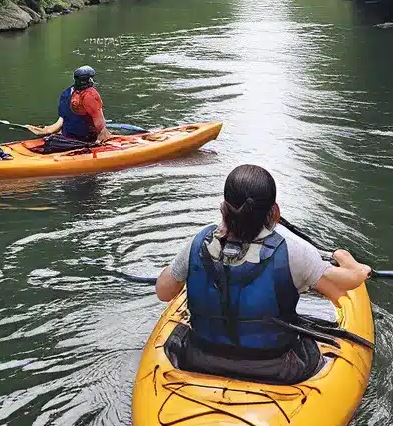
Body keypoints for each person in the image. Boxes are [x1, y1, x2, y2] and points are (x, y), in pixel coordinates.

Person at [154, 163, 370, 384]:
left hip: (200, 359)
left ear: (223, 209)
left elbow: (163, 292)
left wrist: (181, 266)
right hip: (275, 368)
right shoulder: (295, 251)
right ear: (275, 211)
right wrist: (352, 263)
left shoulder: (198, 244)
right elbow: (347, 285)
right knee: (311, 345)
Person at [25, 65, 114, 153]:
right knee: (104, 132)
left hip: (66, 137)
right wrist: (102, 142)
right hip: (86, 140)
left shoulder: (66, 94)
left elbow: (60, 123)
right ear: (90, 79)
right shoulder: (90, 95)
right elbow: (100, 126)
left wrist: (46, 130)